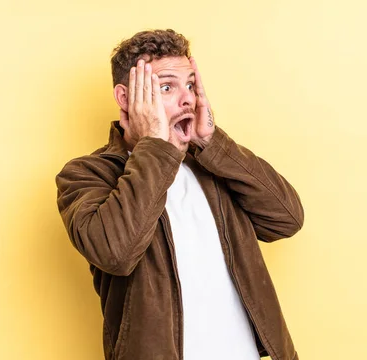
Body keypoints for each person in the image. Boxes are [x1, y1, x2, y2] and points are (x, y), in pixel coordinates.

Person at [55, 29, 304, 360]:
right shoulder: (86, 175)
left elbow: (286, 219)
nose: (188, 99)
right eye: (167, 87)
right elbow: (116, 252)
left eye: (190, 85)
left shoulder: (214, 163)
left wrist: (213, 143)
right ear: (125, 98)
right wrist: (155, 144)